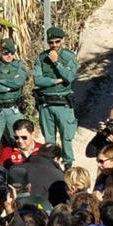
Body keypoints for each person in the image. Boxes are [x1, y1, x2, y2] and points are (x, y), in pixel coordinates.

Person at [32, 27, 79, 168]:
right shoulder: (41, 58)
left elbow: (69, 77)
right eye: (51, 42)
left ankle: (68, 167)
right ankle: (51, 166)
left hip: (63, 103)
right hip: (46, 104)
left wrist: (57, 63)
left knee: (66, 138)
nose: (54, 45)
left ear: (63, 40)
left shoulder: (69, 57)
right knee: (49, 140)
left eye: (57, 41)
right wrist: (55, 81)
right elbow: (37, 80)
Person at [0, 38, 27, 144]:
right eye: (5, 52)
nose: (9, 55)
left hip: (14, 108)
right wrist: (9, 86)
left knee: (19, 140)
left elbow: (19, 82)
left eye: (12, 52)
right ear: (0, 51)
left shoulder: (19, 64)